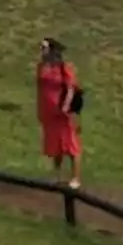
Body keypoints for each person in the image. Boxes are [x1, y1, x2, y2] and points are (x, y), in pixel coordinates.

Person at [36, 38, 82, 189]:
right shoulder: (42, 67)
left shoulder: (64, 68)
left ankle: (75, 177)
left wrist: (66, 106)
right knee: (56, 146)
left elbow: (70, 88)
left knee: (70, 145)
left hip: (63, 113)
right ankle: (58, 176)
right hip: (49, 113)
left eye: (44, 48)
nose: (42, 51)